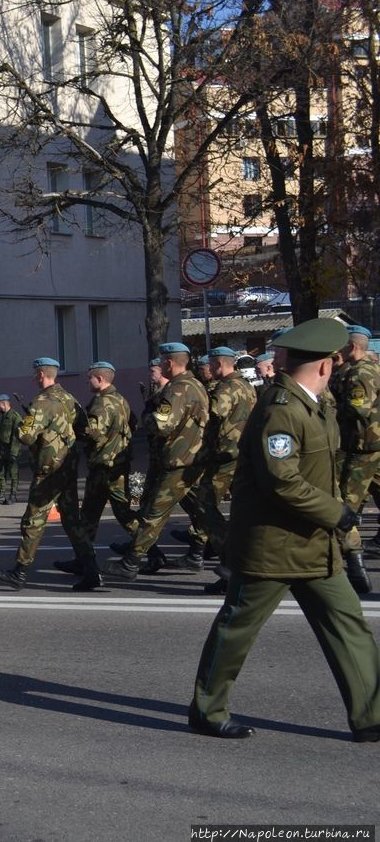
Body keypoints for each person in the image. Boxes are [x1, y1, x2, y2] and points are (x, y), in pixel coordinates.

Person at [189, 318, 380, 742]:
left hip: (314, 547)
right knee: (237, 630)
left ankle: (371, 717)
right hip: (271, 547)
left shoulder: (316, 404)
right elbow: (282, 482)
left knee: (350, 627)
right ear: (327, 365)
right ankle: (207, 709)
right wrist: (338, 513)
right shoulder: (281, 409)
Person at [0, 358, 101, 591]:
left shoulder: (41, 402)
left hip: (49, 471)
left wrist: (30, 426)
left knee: (33, 520)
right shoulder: (69, 398)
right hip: (68, 468)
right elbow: (85, 430)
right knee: (72, 520)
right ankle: (91, 569)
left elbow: (25, 436)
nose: (33, 378)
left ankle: (19, 572)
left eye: (35, 374)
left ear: (41, 375)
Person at [103, 343, 209, 581]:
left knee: (154, 514)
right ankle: (204, 553)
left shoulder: (178, 388)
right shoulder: (196, 386)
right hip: (191, 459)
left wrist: (148, 416)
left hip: (178, 461)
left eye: (162, 362)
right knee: (202, 510)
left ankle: (131, 562)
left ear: (170, 363)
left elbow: (162, 425)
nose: (160, 366)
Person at [175, 347, 256, 576]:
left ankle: (228, 557)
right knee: (240, 508)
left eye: (210, 365)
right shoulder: (246, 386)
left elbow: (212, 415)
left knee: (204, 504)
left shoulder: (226, 388)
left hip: (224, 455)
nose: (207, 369)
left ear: (220, 365)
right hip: (240, 452)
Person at [58, 362, 135, 577]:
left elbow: (93, 431)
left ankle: (150, 550)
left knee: (122, 513)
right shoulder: (121, 399)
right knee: (90, 516)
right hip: (111, 464)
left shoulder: (102, 403)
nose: (87, 381)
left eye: (89, 378)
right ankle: (83, 560)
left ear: (99, 379)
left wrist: (75, 422)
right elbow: (132, 424)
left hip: (105, 466)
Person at [333, 325, 379, 596]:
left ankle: (355, 566)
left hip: (362, 447)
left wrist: (329, 406)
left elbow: (357, 409)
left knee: (343, 508)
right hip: (372, 445)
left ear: (352, 346)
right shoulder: (369, 369)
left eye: (341, 345)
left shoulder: (361, 373)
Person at [0, 394, 23, 505]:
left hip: (11, 450)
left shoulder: (15, 416)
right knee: (0, 474)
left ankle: (13, 495)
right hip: (1, 450)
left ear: (5, 403)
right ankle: (1, 495)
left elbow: (16, 436)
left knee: (13, 474)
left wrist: (13, 453)